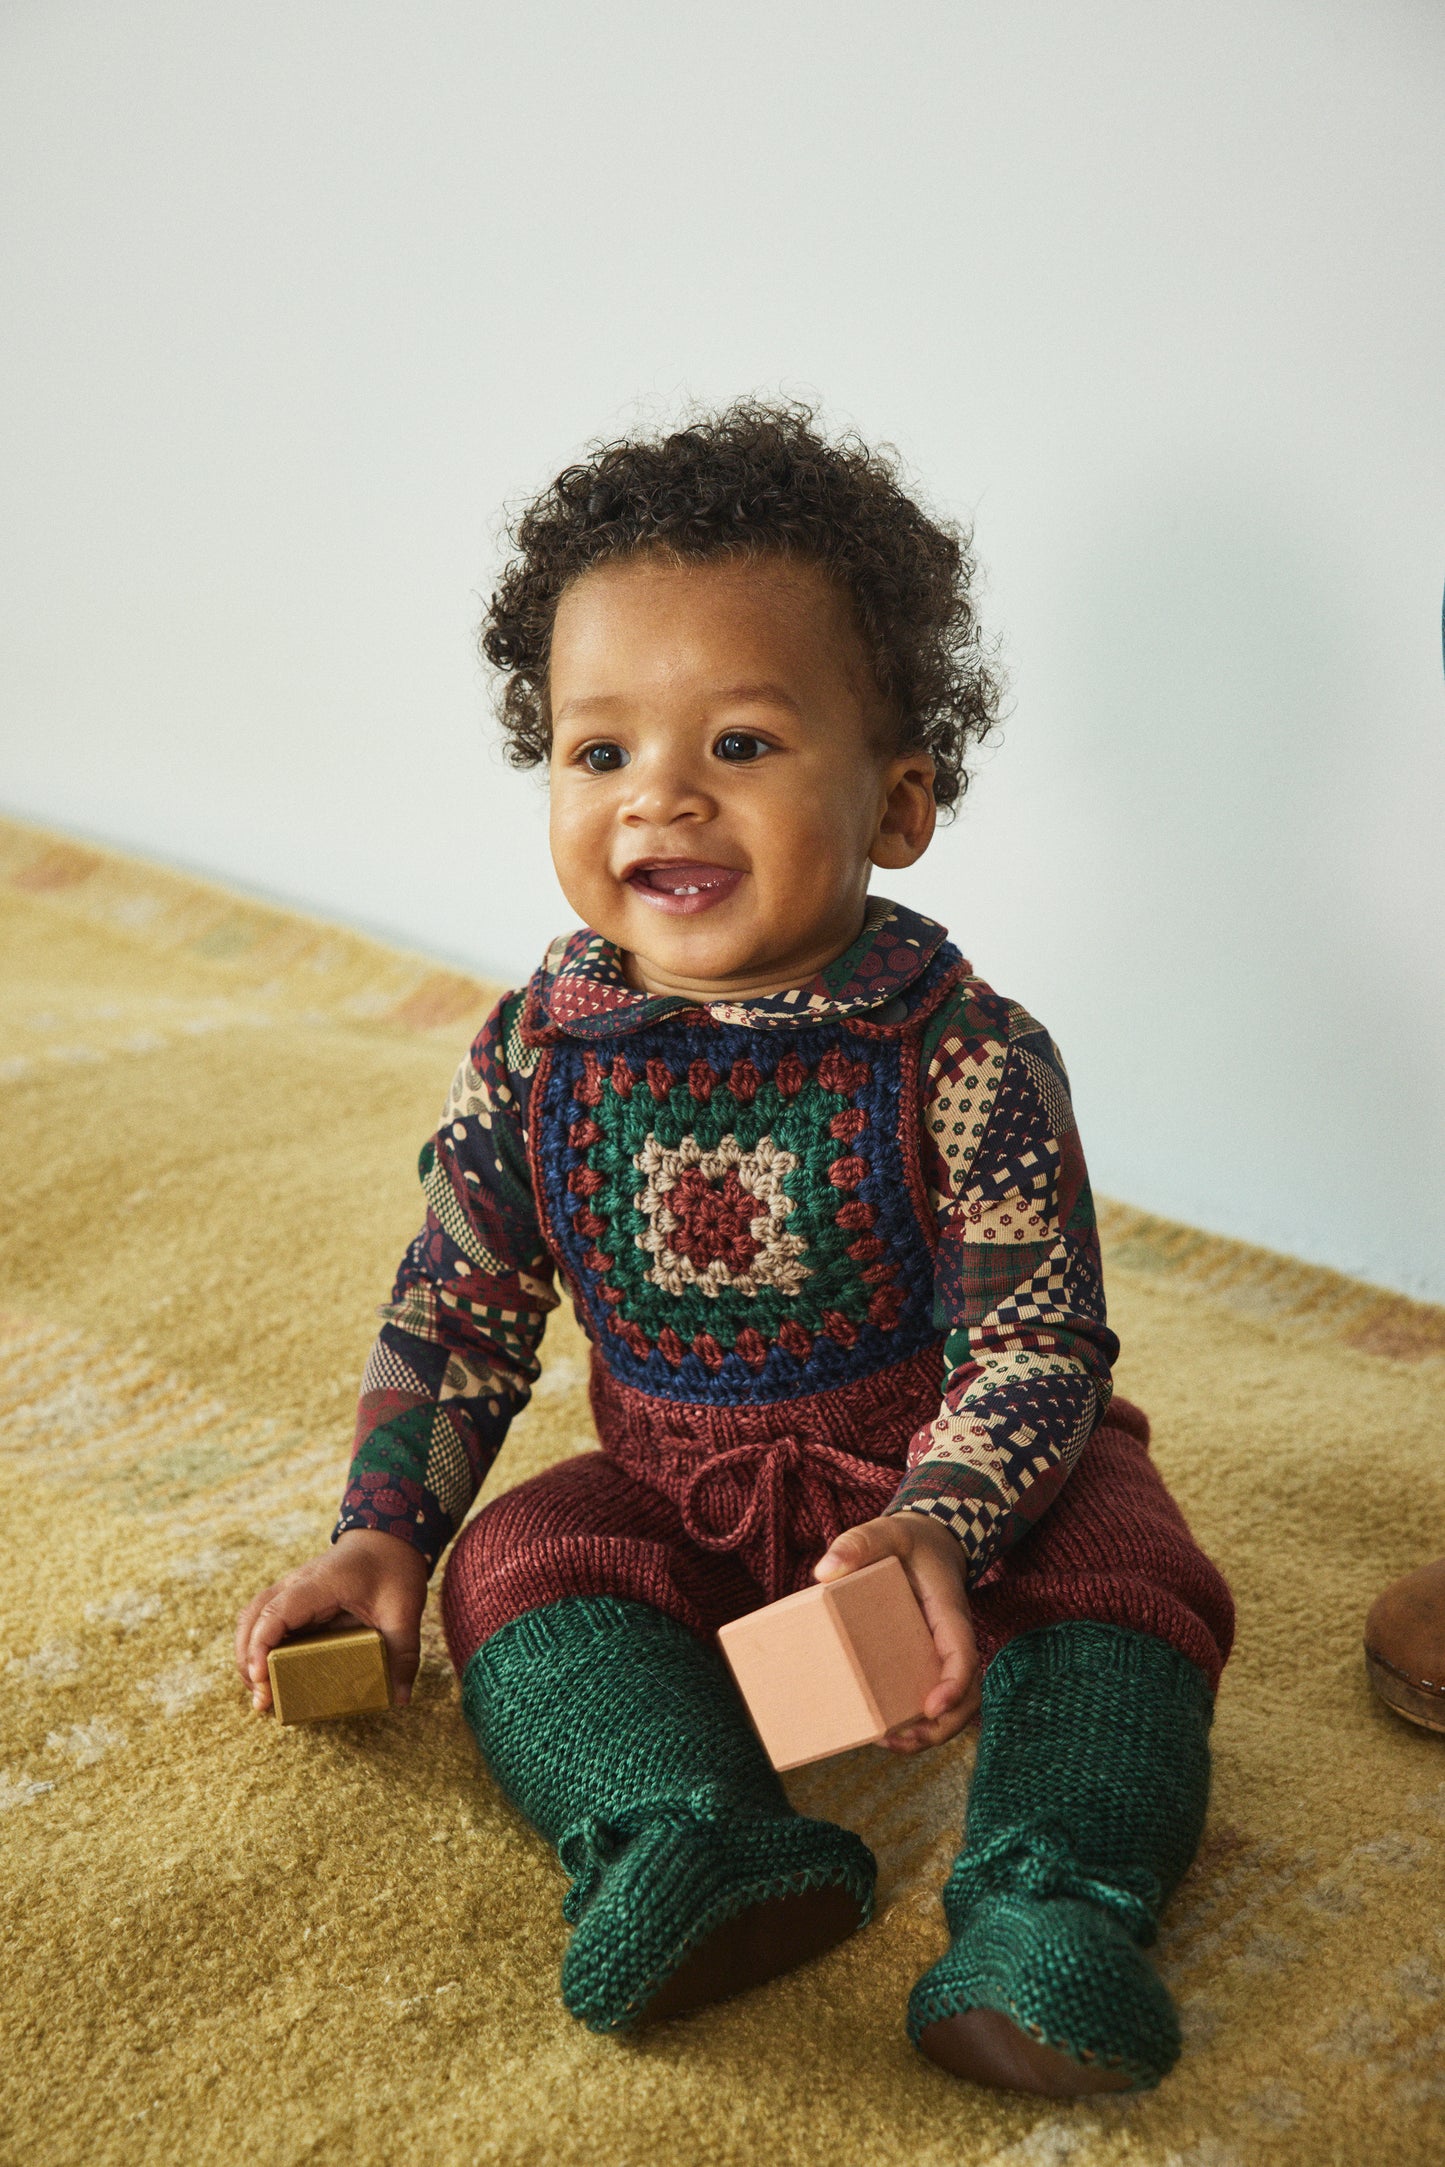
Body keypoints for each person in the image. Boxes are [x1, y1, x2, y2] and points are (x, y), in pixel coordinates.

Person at [234, 401, 1233, 2095]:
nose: (662, 796)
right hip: (681, 1495)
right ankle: (688, 1837)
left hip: (952, 1494)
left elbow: (1035, 1344)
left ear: (897, 803)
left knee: (1130, 1580)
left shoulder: (963, 1056)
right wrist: (380, 1533)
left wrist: (938, 1521)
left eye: (744, 743)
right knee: (522, 1569)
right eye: (598, 752)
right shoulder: (537, 1053)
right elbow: (459, 1308)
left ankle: (1051, 1901)